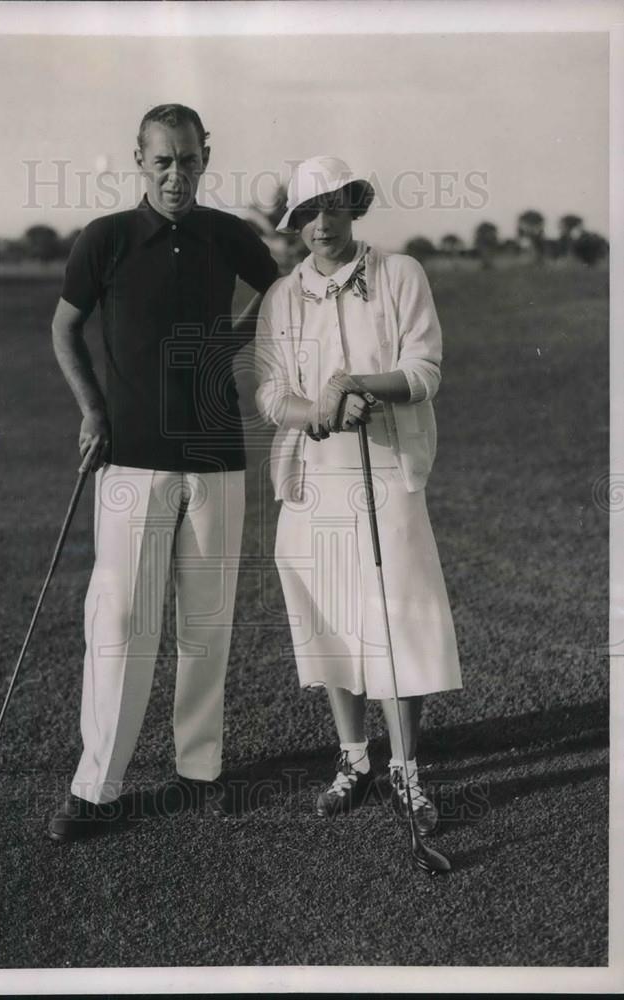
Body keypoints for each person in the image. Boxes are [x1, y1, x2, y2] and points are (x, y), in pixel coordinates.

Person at [48, 104, 279, 841]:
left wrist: (230, 345)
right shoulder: (106, 238)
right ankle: (98, 785)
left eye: (188, 159)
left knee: (204, 620)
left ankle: (199, 767)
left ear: (206, 156)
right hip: (132, 457)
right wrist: (92, 410)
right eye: (162, 161)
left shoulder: (227, 235)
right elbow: (64, 327)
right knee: (119, 619)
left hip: (215, 452)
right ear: (138, 160)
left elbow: (277, 295)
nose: (176, 174)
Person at [255, 156, 462, 833]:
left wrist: (359, 387)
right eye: (306, 213)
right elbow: (268, 393)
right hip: (313, 479)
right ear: (292, 225)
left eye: (333, 207)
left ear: (354, 206)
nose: (321, 224)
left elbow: (424, 369)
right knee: (332, 622)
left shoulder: (399, 274)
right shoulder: (282, 297)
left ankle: (404, 768)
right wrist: (317, 409)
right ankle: (353, 760)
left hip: (388, 471)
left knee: (398, 616)